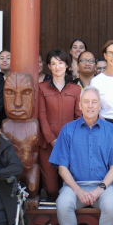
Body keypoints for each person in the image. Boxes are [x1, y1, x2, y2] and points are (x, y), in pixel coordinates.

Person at [50, 87, 113, 225]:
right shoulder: (68, 130)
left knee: (112, 205)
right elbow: (62, 167)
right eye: (86, 102)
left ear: (100, 105)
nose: (90, 105)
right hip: (75, 185)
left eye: (94, 102)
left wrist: (99, 189)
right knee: (63, 204)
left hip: (102, 185)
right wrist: (78, 191)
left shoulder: (111, 130)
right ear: (80, 105)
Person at [37, 49, 82, 201]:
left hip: (70, 143)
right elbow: (41, 116)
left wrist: (70, 140)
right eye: (54, 64)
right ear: (48, 66)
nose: (57, 67)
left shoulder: (75, 89)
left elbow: (78, 116)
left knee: (68, 183)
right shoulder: (41, 88)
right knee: (50, 187)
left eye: (61, 63)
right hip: (48, 144)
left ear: (67, 65)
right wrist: (52, 140)